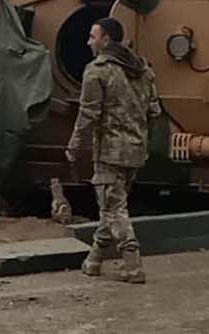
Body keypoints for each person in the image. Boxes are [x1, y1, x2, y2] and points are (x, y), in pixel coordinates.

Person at [68, 16, 159, 284]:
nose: (88, 41)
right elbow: (154, 112)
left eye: (92, 36)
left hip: (109, 151)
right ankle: (94, 259)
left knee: (114, 209)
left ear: (106, 39)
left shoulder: (97, 70)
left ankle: (132, 263)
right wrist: (143, 140)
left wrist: (74, 145)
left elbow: (88, 114)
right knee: (112, 206)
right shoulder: (142, 69)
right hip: (135, 150)